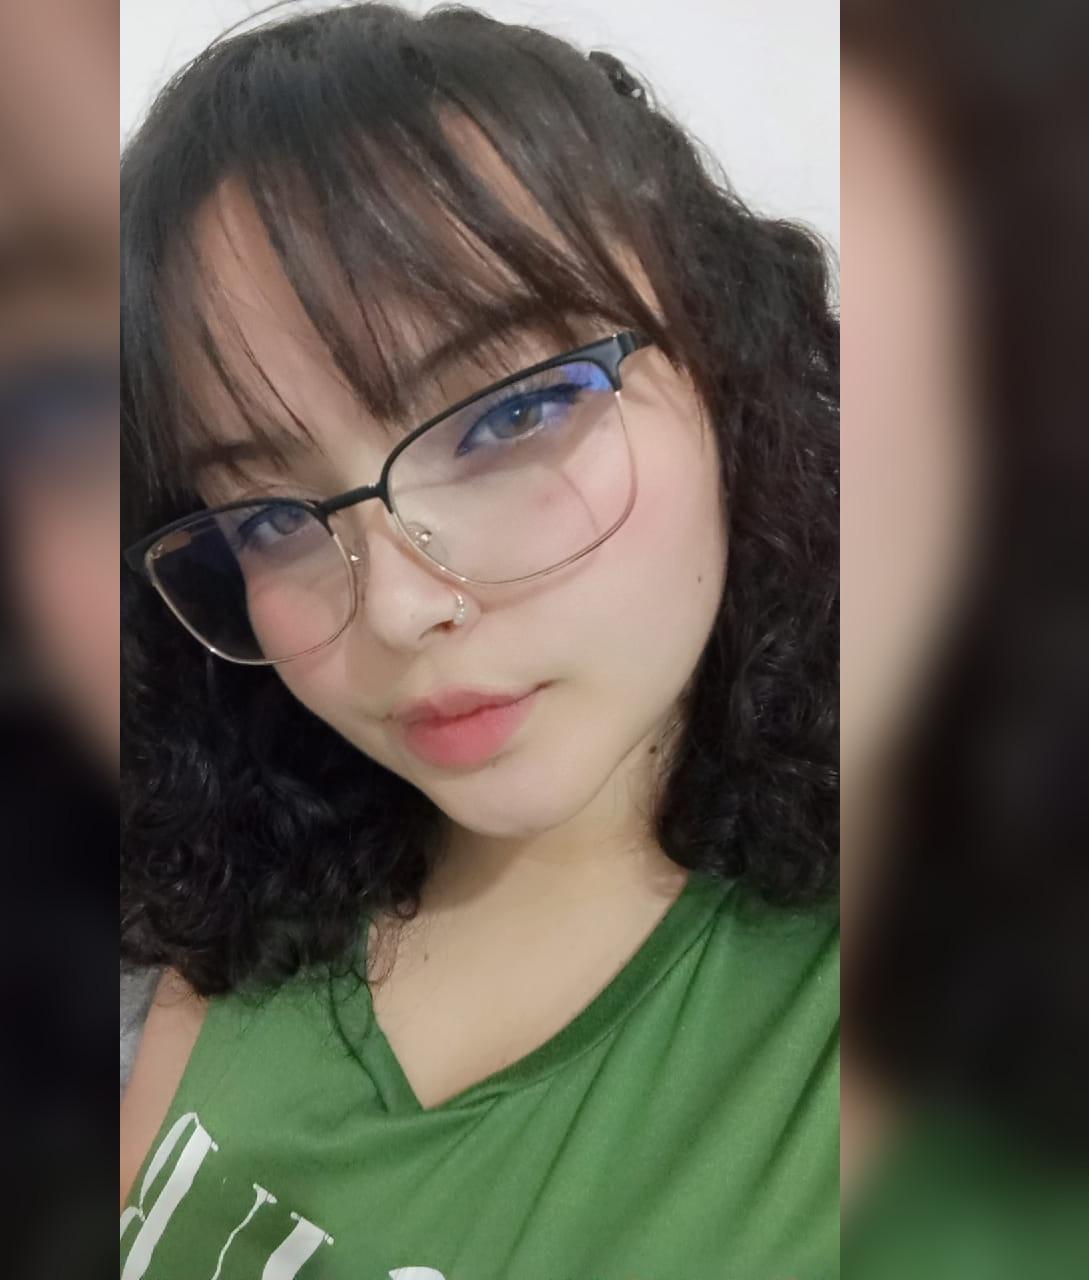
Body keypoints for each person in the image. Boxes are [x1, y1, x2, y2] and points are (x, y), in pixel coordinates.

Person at [119, 4, 838, 1275]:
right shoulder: (242, 880)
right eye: (272, 515)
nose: (401, 607)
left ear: (725, 363)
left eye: (512, 417)